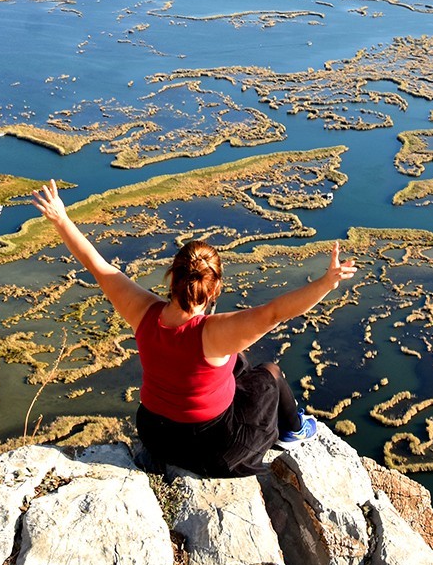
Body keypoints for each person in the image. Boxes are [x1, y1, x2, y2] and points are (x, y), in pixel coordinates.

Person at [31, 179, 357, 476]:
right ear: (214, 289)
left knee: (238, 361)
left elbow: (98, 265)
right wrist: (327, 283)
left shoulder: (142, 310)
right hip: (212, 449)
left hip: (156, 436)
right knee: (269, 374)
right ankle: (295, 430)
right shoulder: (214, 333)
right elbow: (275, 313)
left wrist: (60, 218)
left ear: (172, 277)